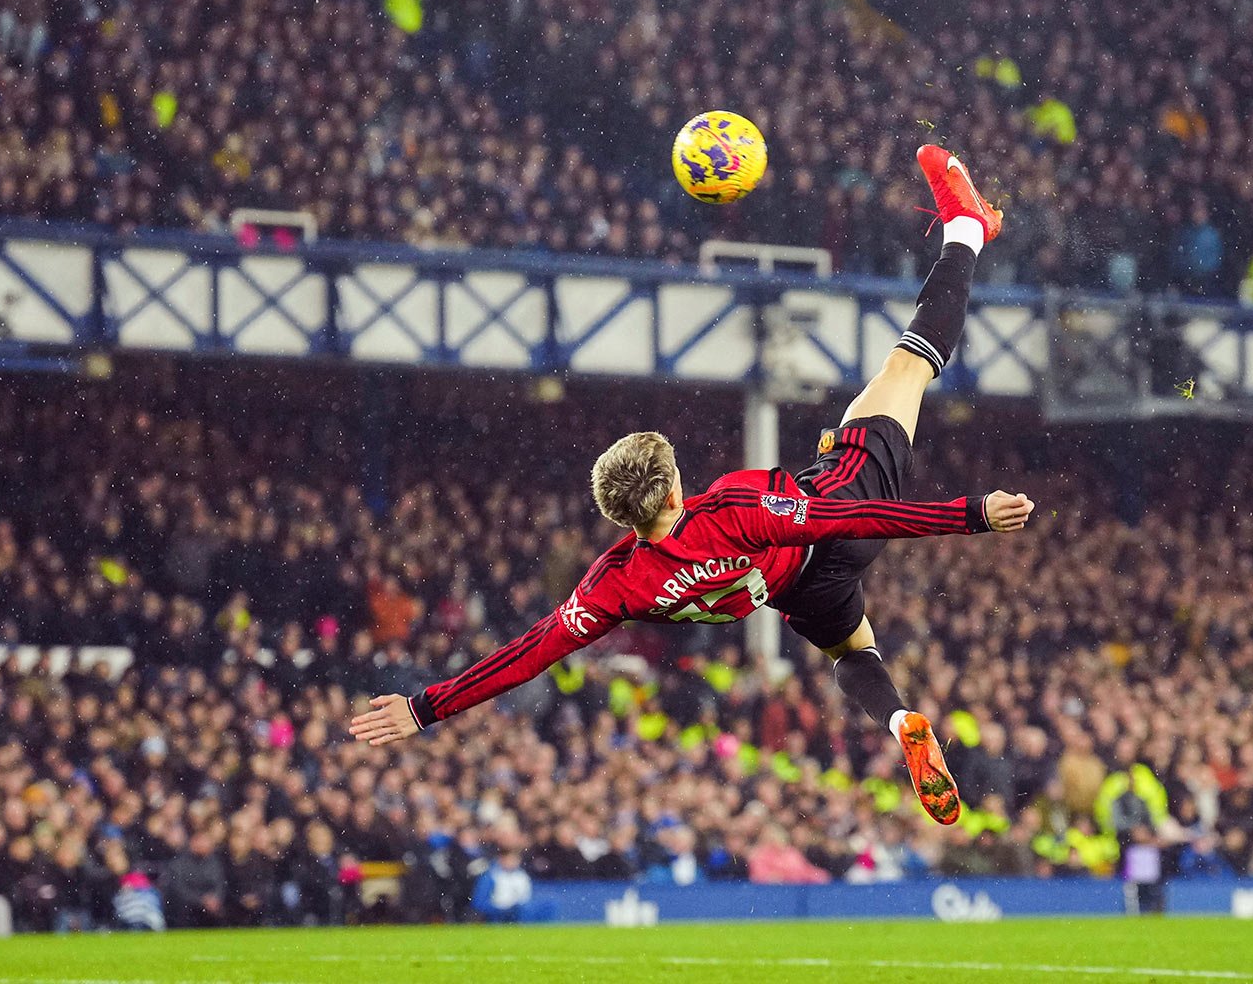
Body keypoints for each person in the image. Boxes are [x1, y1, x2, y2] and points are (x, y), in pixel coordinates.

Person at [351, 145, 1033, 826]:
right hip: (836, 515)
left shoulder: (614, 584)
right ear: (676, 491)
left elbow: (527, 654)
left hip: (797, 594)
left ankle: (899, 720)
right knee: (907, 368)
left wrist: (423, 707)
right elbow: (837, 522)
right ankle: (965, 229)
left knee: (852, 650)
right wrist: (971, 514)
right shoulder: (730, 507)